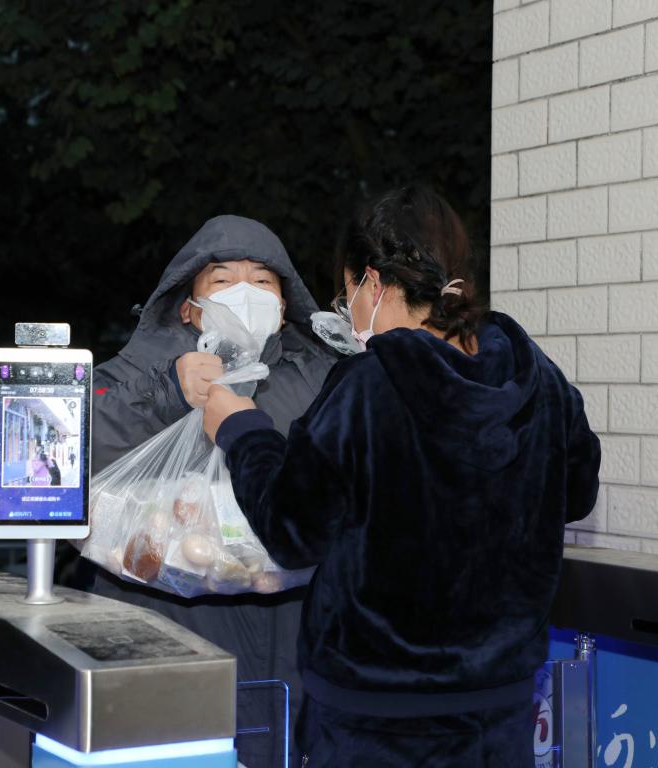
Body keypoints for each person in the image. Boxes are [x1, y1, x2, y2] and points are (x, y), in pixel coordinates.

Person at [202, 185, 602, 767]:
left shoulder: (368, 387)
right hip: (502, 712)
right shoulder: (537, 378)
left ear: (375, 283)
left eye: (347, 294)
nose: (348, 312)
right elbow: (578, 492)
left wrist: (243, 431)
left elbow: (292, 531)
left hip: (373, 720)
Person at [75, 214, 337, 767]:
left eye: (262, 280)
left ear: (284, 306)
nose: (245, 292)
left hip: (293, 654)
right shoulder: (132, 377)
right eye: (222, 279)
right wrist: (167, 392)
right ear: (188, 307)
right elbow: (67, 455)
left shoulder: (322, 380)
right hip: (163, 649)